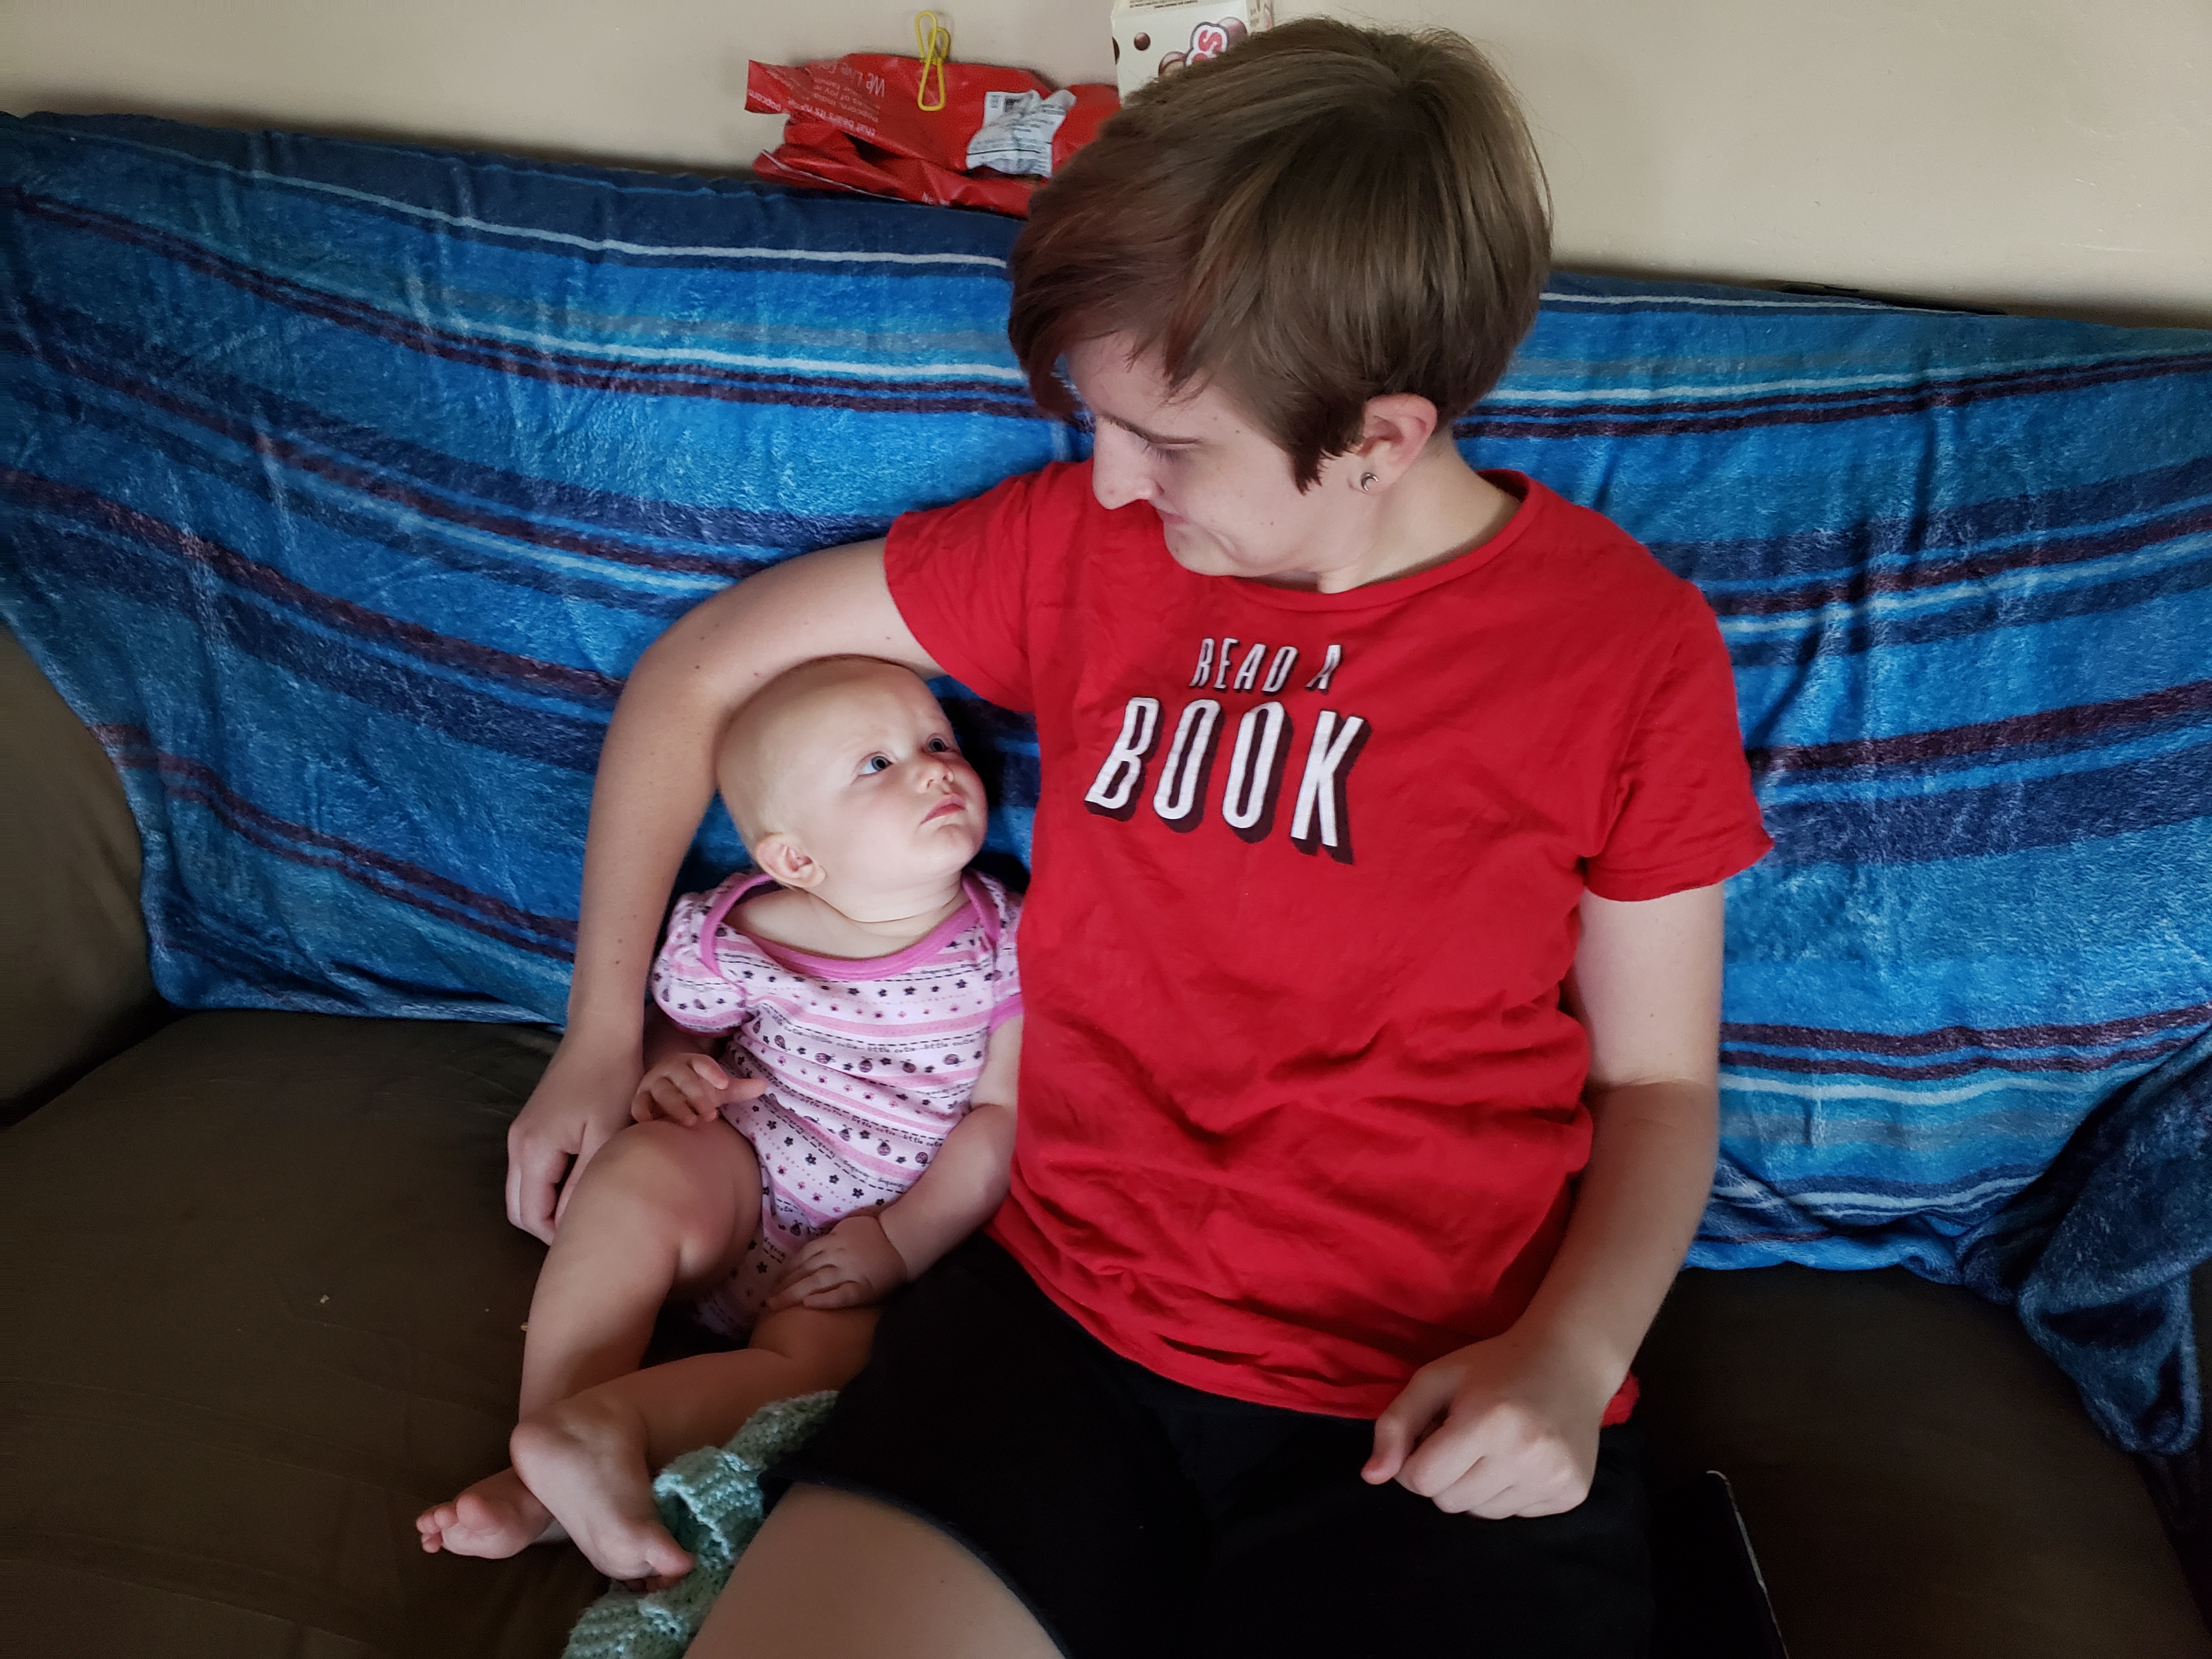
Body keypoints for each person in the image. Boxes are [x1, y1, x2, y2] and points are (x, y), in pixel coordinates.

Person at [505, 18, 1771, 1657]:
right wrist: (600, 1036)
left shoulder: (1625, 650)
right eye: (1097, 421)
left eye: (1167, 443)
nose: (1108, 482)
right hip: (1050, 1337)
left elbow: (1661, 1086)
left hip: (1417, 1393)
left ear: (1378, 438)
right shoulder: (1077, 555)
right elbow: (700, 673)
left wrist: (1575, 1355)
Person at [417, 656, 1023, 1587]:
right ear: (796, 860)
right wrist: (673, 1073)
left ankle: (578, 1461)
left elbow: (999, 1118)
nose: (936, 768)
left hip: (872, 1239)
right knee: (638, 1172)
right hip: (742, 1168)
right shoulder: (735, 933)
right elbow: (677, 1030)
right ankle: (552, 1447)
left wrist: (898, 1244)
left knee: (829, 1375)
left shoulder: (1006, 941)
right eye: (877, 764)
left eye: (936, 742)